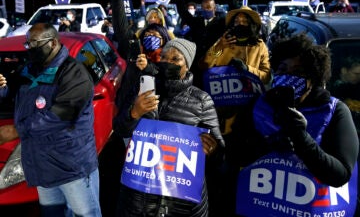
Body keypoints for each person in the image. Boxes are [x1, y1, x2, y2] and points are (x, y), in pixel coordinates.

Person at [235, 33, 359, 216]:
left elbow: (340, 174)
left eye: (298, 72)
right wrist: (268, 144)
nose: (289, 77)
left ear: (313, 77)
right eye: (283, 69)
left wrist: (302, 139)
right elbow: (234, 156)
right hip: (262, 207)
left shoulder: (334, 110)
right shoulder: (258, 105)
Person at [113, 38, 225, 217]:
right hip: (138, 197)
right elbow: (120, 130)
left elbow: (219, 153)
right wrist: (134, 112)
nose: (168, 62)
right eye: (164, 57)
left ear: (187, 65)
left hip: (180, 203)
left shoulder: (201, 101)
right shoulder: (143, 89)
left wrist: (213, 149)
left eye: (176, 59)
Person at [0, 23, 101, 216]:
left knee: (86, 213)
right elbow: (12, 93)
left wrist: (14, 130)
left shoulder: (74, 73)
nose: (29, 48)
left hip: (71, 167)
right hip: (42, 166)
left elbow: (60, 115)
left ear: (53, 43)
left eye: (35, 43)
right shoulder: (29, 70)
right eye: (28, 43)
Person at [199, 6, 271, 216]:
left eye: (244, 20)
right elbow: (204, 64)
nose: (240, 23)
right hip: (221, 116)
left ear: (253, 24)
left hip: (249, 118)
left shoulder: (260, 46)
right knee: (218, 168)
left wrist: (247, 69)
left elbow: (267, 76)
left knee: (242, 168)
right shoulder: (224, 41)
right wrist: (219, 47)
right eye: (237, 20)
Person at [175, 0, 237, 88]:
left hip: (217, 64)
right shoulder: (196, 21)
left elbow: (235, 11)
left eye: (208, 7)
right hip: (198, 64)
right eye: (203, 8)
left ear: (215, 7)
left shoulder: (222, 22)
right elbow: (183, 12)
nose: (206, 10)